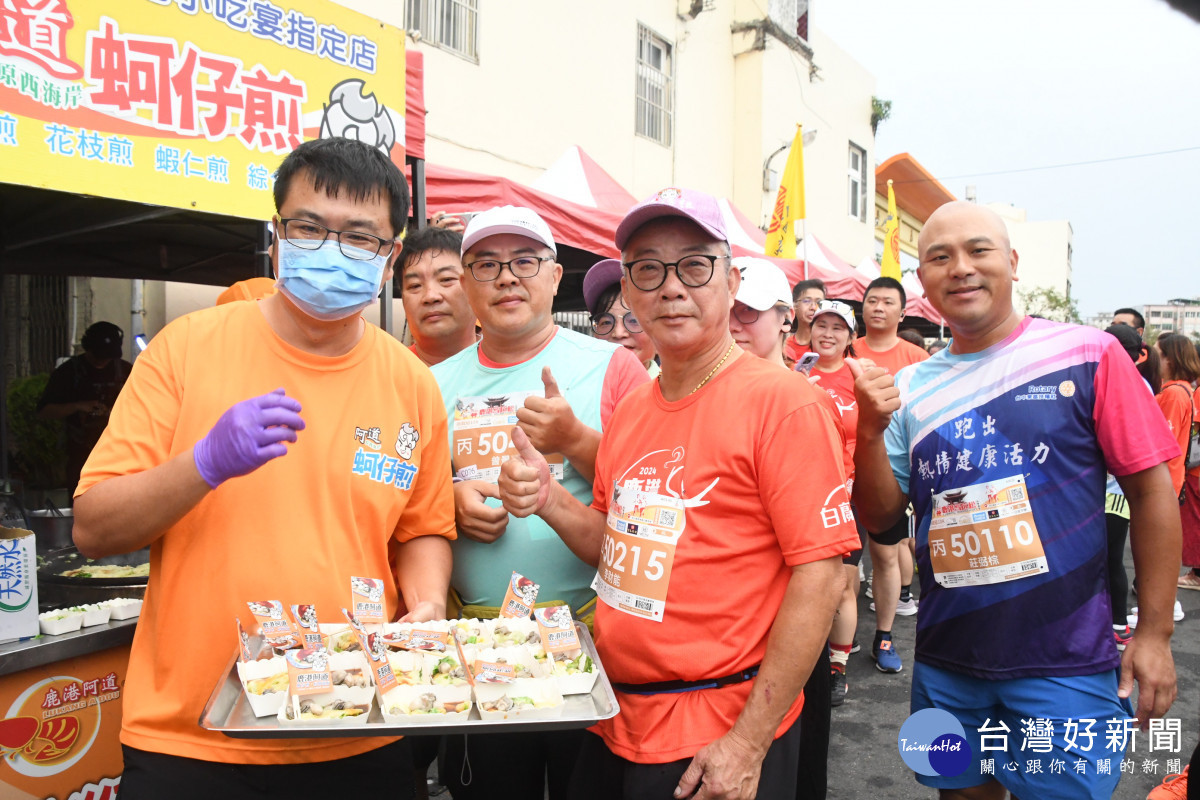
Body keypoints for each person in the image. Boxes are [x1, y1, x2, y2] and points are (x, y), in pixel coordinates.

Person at [71, 138, 456, 799]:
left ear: (390, 256)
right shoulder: (186, 350)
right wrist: (204, 462)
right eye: (310, 227)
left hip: (362, 724)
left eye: (360, 237)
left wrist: (423, 602)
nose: (331, 250)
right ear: (277, 234)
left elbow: (421, 529)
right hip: (194, 737)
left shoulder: (412, 384)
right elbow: (94, 528)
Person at [498, 187, 858, 800]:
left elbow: (820, 577)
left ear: (731, 279)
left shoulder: (785, 403)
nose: (670, 286)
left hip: (716, 732)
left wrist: (748, 743)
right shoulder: (635, 407)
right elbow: (613, 545)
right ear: (630, 291)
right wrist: (549, 499)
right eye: (647, 269)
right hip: (614, 718)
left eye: (694, 264)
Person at [852, 200, 1181, 799]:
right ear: (921, 282)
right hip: (948, 658)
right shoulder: (910, 387)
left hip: (1066, 662)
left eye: (978, 251)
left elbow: (1151, 490)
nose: (960, 268)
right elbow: (880, 521)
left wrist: (1154, 635)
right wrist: (869, 433)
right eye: (939, 258)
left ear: (1012, 262)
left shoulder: (1088, 355)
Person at [430, 205, 648, 800]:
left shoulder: (615, 369)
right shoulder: (430, 384)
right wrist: (447, 499)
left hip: (592, 648)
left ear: (555, 276)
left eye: (525, 261)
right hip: (479, 649)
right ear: (466, 282)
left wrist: (575, 440)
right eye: (487, 265)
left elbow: (649, 497)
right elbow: (409, 500)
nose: (506, 277)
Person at [729, 257, 835, 800]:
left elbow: (821, 563)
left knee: (795, 764)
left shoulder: (799, 400)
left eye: (748, 313)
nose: (732, 324)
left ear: (785, 319)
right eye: (727, 310)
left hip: (789, 629)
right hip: (725, 646)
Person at [854, 277, 929, 671]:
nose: (878, 307)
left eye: (887, 302)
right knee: (843, 564)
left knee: (885, 557)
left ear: (902, 312)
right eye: (872, 300)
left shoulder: (918, 359)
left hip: (892, 478)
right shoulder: (846, 349)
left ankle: (883, 638)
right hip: (842, 472)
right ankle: (838, 641)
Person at [807, 300, 881, 692]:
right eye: (822, 325)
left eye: (838, 327)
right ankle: (806, 658)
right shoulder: (796, 373)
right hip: (803, 493)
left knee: (843, 584)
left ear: (852, 337)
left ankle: (837, 667)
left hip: (847, 494)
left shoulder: (859, 377)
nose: (828, 334)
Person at [1101, 323, 1153, 651]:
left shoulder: (1133, 385)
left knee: (1111, 557)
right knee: (1105, 556)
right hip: (1109, 488)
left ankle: (1118, 626)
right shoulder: (1133, 381)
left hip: (1116, 490)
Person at [37, 321, 133, 495]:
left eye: (107, 357)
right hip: (81, 456)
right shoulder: (68, 373)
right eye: (98, 356)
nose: (102, 362)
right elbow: (44, 411)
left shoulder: (126, 371)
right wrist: (78, 406)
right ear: (87, 349)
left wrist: (113, 412)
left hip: (121, 455)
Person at [1155, 332, 1200, 593]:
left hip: (1165, 478)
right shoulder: (1185, 390)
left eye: (1159, 354)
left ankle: (1164, 602)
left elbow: (1164, 440)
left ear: (1170, 359)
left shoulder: (1174, 393)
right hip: (1175, 475)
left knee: (1158, 546)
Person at [399, 225, 478, 366]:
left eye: (446, 279)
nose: (430, 296)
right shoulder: (388, 373)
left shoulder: (510, 366)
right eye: (415, 285)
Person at [584, 258, 659, 376]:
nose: (618, 333)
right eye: (606, 322)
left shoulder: (681, 392)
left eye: (634, 320)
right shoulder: (574, 389)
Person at [784, 278, 827, 366]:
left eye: (819, 302)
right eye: (807, 301)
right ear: (795, 305)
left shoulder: (828, 345)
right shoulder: (783, 345)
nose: (813, 307)